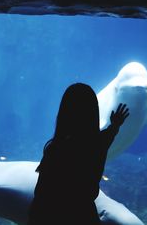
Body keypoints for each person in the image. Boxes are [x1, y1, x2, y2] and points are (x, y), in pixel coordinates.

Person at [28, 83, 129, 225]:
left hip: (51, 214)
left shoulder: (56, 148)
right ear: (94, 113)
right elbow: (106, 137)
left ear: (65, 113)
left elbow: (41, 191)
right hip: (84, 214)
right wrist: (115, 125)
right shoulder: (96, 145)